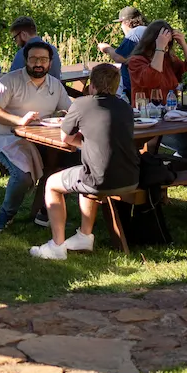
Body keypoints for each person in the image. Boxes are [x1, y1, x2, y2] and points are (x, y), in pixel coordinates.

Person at [30, 64, 141, 260]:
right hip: (131, 177)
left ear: (91, 85)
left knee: (52, 184)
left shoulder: (82, 104)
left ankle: (56, 246)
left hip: (99, 179)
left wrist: (82, 143)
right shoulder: (125, 107)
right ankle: (84, 235)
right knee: (83, 173)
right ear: (116, 86)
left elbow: (65, 137)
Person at [0, 40, 71, 233]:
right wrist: (19, 120)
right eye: (33, 59)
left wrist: (65, 116)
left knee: (64, 163)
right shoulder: (9, 81)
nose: (38, 63)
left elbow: (68, 110)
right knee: (22, 177)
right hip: (7, 137)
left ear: (50, 62)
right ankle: (6, 215)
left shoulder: (55, 85)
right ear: (26, 60)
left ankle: (43, 212)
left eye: (43, 59)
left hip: (43, 138)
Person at [127, 20, 187, 159]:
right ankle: (174, 169)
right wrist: (160, 47)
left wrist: (183, 44)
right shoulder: (136, 61)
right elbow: (152, 79)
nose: (167, 48)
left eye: (169, 44)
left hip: (171, 117)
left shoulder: (167, 59)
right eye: (165, 43)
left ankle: (178, 169)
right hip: (150, 120)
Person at [99, 7, 147, 96]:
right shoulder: (146, 31)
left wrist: (107, 48)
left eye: (121, 23)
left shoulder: (134, 34)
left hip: (136, 89)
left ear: (125, 23)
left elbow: (119, 57)